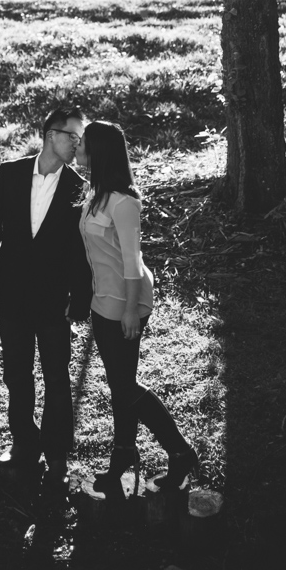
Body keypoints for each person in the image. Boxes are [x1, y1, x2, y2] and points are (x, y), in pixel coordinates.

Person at [78, 120, 197, 493]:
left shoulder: (124, 203)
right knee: (120, 385)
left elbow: (132, 261)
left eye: (83, 144)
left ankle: (179, 451)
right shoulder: (94, 195)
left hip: (126, 300)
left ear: (99, 152)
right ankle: (123, 460)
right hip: (102, 298)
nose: (78, 149)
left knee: (124, 387)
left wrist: (131, 310)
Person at [0, 106, 92, 487]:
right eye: (72, 135)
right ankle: (24, 443)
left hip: (54, 300)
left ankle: (56, 454)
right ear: (50, 134)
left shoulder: (79, 186)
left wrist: (79, 299)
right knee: (17, 375)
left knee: (57, 378)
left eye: (80, 137)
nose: (77, 143)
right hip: (11, 295)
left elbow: (80, 250)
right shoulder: (10, 173)